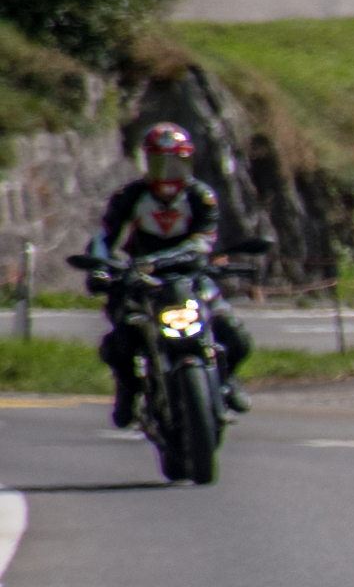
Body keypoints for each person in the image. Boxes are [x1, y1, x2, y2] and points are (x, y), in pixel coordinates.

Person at [93, 123, 252, 425]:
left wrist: (161, 260)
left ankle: (228, 378)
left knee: (234, 332)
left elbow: (202, 242)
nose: (168, 172)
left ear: (189, 162)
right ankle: (129, 390)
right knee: (120, 343)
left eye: (176, 162)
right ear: (146, 163)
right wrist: (102, 268)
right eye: (159, 163)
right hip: (141, 281)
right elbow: (104, 238)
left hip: (191, 278)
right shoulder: (129, 196)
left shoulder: (201, 196)